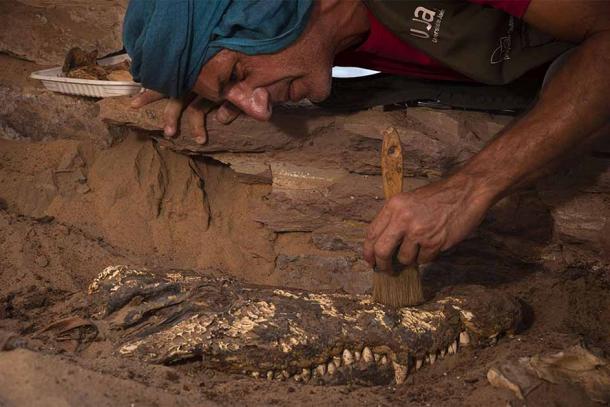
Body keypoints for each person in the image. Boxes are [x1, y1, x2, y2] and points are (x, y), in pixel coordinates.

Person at [123, 0, 610, 273]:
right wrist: (201, 78)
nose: (259, 107)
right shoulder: (320, 36)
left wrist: (470, 188)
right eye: (231, 95)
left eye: (238, 73)